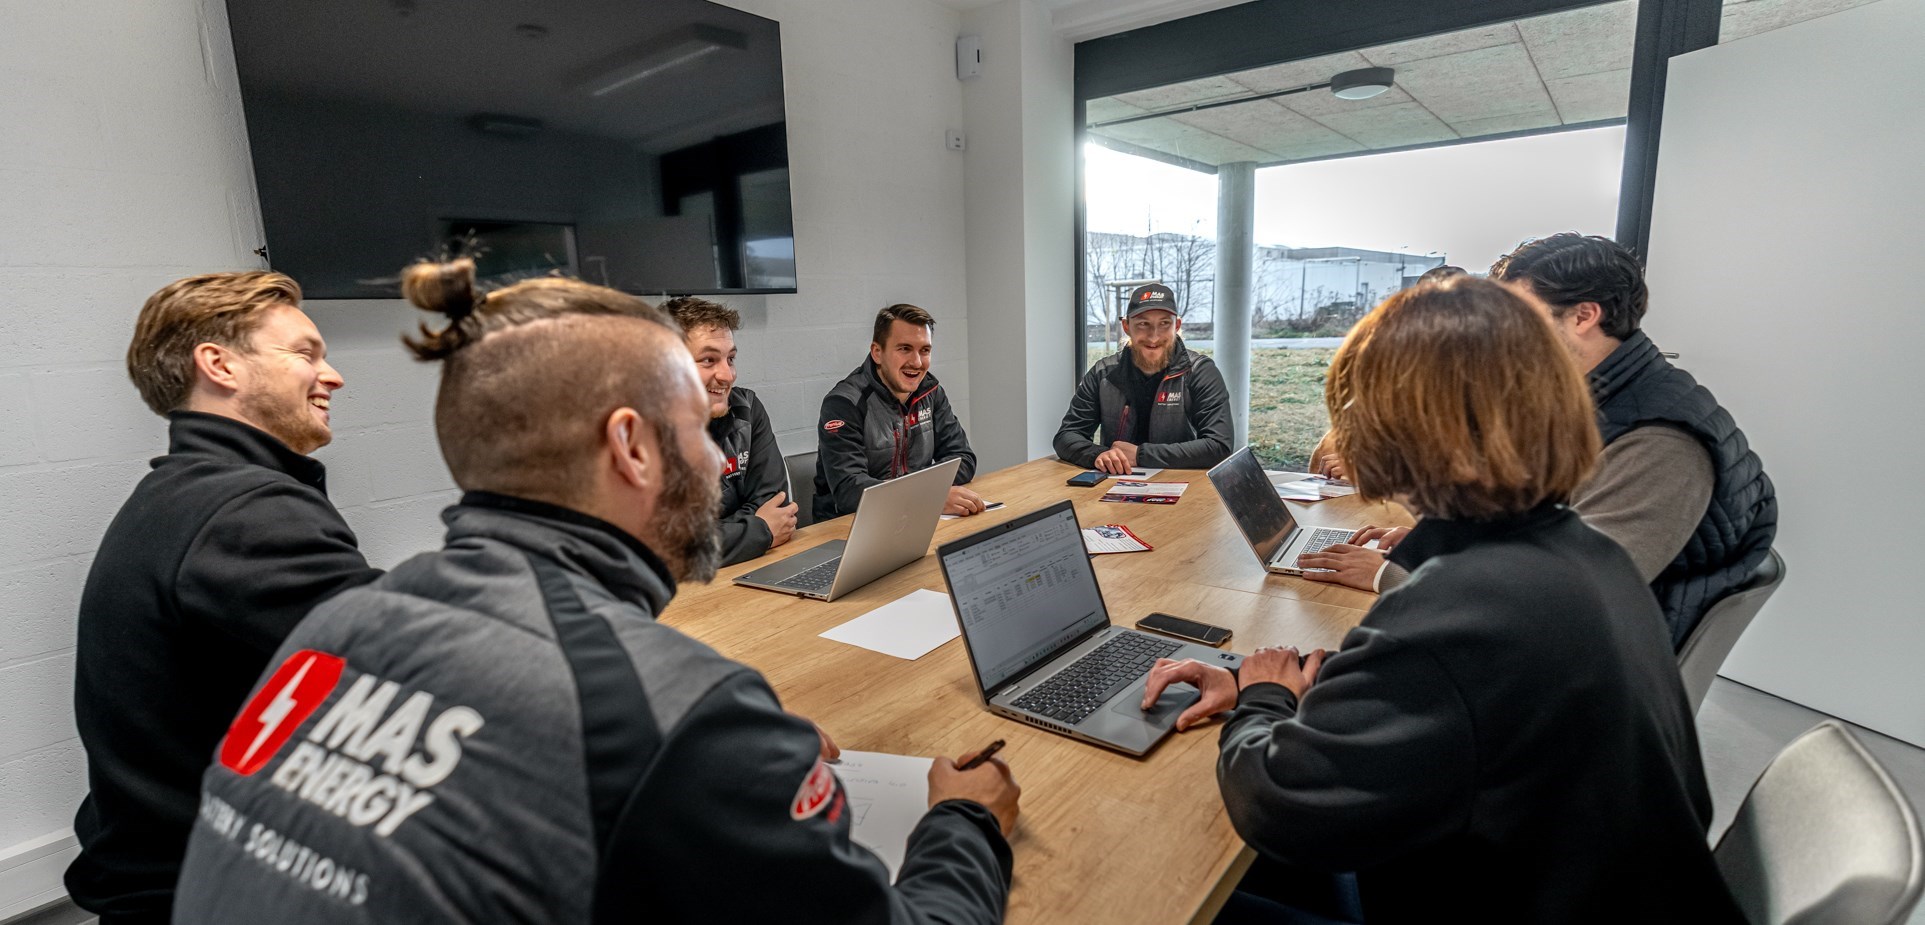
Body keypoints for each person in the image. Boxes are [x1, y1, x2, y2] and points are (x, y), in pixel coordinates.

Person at [172, 260, 1019, 923]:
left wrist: (716, 750)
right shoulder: (676, 708)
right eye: (694, 429)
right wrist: (965, 820)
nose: (718, 458)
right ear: (632, 447)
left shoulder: (332, 625)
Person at [1143, 278, 1743, 923]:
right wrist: (1269, 681)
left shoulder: (1459, 613)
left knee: (1159, 889)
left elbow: (1278, 806)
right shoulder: (1582, 554)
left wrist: (1264, 697)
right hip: (1576, 888)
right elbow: (1450, 694)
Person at [67, 271, 382, 923]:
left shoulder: (182, 496)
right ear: (219, 365)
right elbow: (420, 660)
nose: (332, 376)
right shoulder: (246, 514)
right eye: (305, 353)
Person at [1303, 234, 1776, 648]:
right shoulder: (1598, 399)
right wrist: (1446, 545)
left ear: (1584, 316)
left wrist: (1393, 575)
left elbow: (1569, 602)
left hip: (1581, 673)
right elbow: (1547, 533)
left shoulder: (1660, 442)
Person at [661, 295, 797, 566]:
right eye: (708, 360)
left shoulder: (746, 408)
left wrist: (716, 534)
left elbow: (776, 507)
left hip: (743, 569)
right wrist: (759, 530)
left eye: (730, 359)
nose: (728, 375)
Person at [814, 303, 982, 521]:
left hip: (909, 516)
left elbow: (963, 458)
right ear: (877, 353)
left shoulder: (931, 392)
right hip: (847, 526)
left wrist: (917, 495)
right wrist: (928, 496)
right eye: (904, 349)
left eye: (925, 350)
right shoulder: (844, 403)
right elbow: (850, 491)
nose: (917, 362)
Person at [1053, 282, 1232, 474]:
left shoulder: (1199, 372)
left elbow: (1219, 445)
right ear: (1126, 326)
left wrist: (1140, 455)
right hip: (1116, 483)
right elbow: (1066, 436)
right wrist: (1099, 455)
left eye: (1164, 323)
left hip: (1182, 482)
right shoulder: (1103, 373)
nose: (1154, 337)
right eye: (1143, 324)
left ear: (1177, 326)